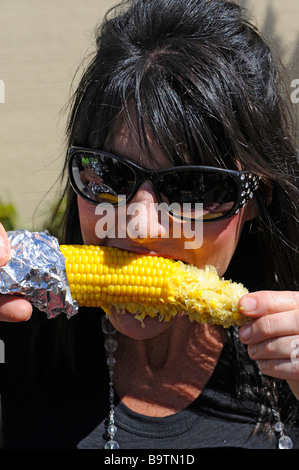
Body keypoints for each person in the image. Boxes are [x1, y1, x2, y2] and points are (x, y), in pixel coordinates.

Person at [0, 0, 298, 450]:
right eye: (108, 173)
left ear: (256, 201)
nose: (139, 226)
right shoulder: (19, 344)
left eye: (194, 187)